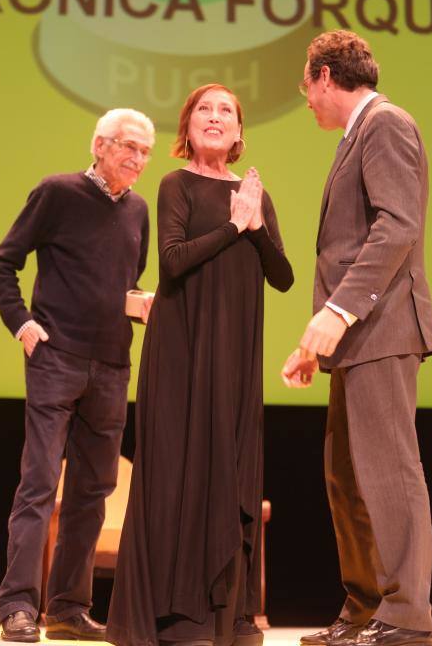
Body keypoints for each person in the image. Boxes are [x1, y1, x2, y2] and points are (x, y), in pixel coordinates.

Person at [106, 83, 293, 646]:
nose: (215, 118)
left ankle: (226, 616)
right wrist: (234, 227)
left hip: (234, 360)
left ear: (239, 133)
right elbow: (172, 261)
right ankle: (177, 617)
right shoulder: (175, 184)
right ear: (187, 129)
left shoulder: (253, 193)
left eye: (227, 112)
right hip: (183, 355)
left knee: (227, 471)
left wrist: (255, 227)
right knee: (178, 470)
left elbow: (281, 276)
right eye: (204, 111)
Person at [282, 31, 432, 646]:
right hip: (355, 337)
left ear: (325, 75)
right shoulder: (358, 135)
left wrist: (340, 312)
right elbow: (349, 246)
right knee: (347, 477)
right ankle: (364, 607)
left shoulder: (385, 124)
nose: (307, 100)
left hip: (383, 328)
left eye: (306, 86)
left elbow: (396, 228)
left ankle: (405, 616)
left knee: (389, 472)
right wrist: (312, 341)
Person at [0, 108, 155, 643]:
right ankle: (17, 605)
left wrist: (141, 306)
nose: (137, 159)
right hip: (56, 358)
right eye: (128, 146)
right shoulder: (56, 192)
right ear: (100, 144)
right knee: (39, 484)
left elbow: (125, 279)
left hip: (112, 364)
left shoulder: (140, 211)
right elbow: (2, 263)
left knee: (93, 490)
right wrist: (22, 323)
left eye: (146, 151)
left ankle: (66, 608)